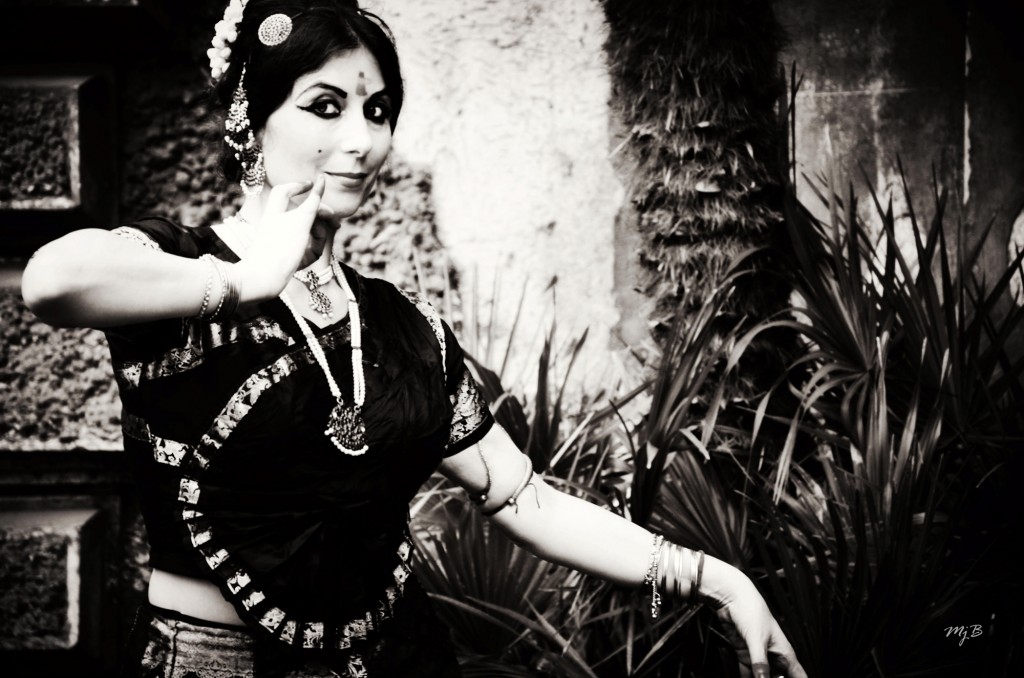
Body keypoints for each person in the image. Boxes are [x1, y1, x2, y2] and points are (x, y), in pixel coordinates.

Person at [21, 1, 807, 677]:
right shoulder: (177, 269)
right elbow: (51, 281)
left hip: (396, 653)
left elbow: (525, 498)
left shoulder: (402, 326)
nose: (362, 139)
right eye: (325, 106)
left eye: (377, 110)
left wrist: (718, 580)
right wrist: (249, 280)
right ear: (249, 120)